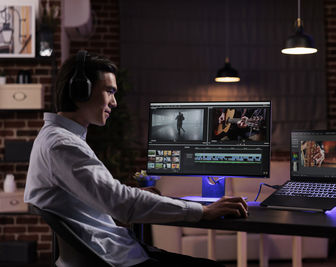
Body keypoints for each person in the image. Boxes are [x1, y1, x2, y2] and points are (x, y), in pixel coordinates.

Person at [24, 51, 248, 267]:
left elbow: (103, 193)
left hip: (111, 251)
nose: (114, 102)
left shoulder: (55, 138)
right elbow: (121, 203)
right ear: (81, 91)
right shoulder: (62, 145)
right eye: (109, 91)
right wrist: (202, 211)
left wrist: (136, 194)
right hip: (113, 257)